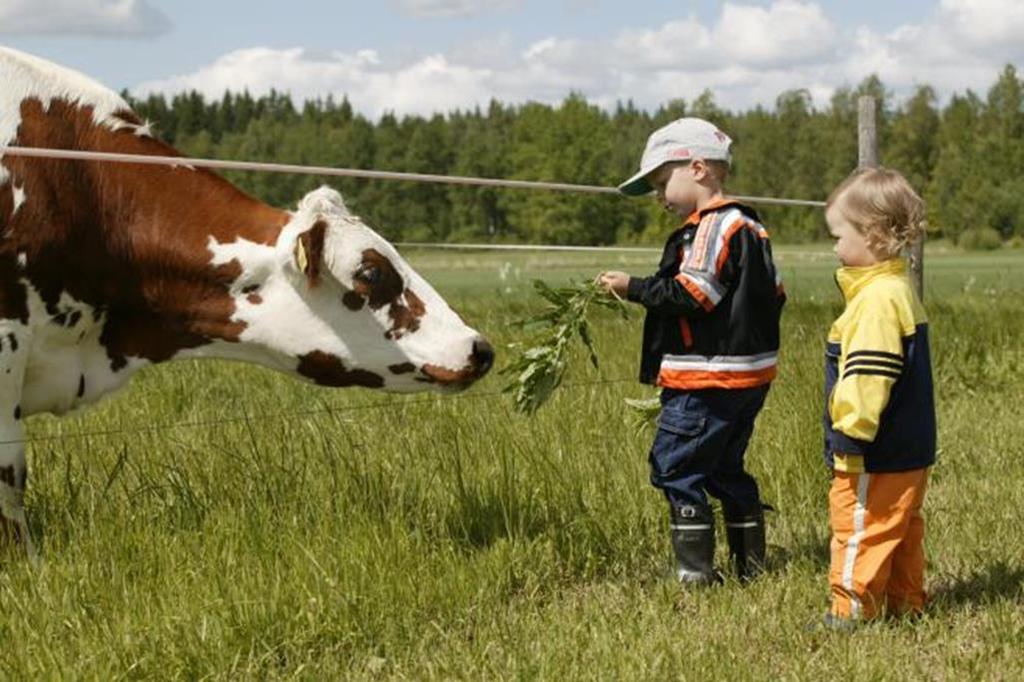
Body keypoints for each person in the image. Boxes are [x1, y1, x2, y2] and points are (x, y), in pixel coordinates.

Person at [597, 118, 785, 584]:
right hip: (747, 378)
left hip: (707, 378)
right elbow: (776, 294)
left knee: (675, 465)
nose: (660, 198)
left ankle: (695, 576)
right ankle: (750, 568)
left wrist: (633, 287)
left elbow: (693, 294)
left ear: (698, 168)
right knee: (724, 467)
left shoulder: (713, 226)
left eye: (663, 183)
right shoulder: (752, 229)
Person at [821, 167, 935, 627]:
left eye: (838, 235)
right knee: (901, 526)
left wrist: (850, 432)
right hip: (910, 448)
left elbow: (870, 376)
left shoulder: (875, 302)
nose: (834, 247)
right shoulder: (896, 289)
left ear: (871, 234)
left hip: (875, 448)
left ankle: (849, 611)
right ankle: (906, 603)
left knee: (860, 527)